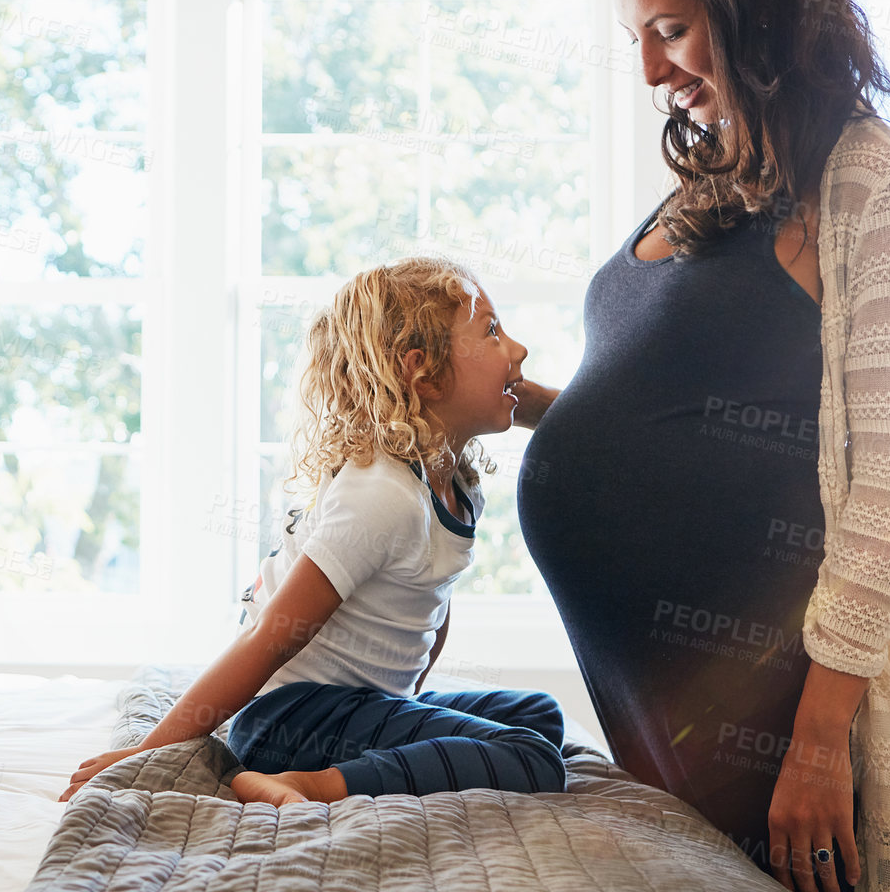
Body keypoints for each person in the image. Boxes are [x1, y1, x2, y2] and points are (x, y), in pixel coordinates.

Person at [513, 0, 890, 892]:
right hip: (659, 698)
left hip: (769, 703)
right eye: (637, 38)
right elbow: (662, 416)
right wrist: (516, 410)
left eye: (670, 29)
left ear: (749, 5)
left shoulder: (872, 189)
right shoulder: (713, 182)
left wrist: (813, 744)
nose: (651, 69)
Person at [63, 256, 566, 808]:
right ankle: (308, 783)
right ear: (423, 372)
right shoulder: (382, 495)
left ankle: (352, 763)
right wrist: (147, 754)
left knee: (542, 716)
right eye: (492, 331)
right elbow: (268, 639)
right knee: (532, 755)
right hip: (287, 722)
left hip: (351, 707)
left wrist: (411, 717)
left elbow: (429, 608)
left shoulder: (453, 482)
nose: (517, 350)